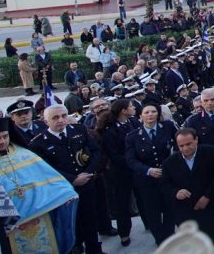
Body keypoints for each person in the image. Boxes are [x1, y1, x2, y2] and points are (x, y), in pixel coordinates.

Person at [0, 116, 78, 254]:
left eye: (5, 136)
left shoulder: (23, 154)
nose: (2, 141)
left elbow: (52, 180)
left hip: (40, 216)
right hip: (8, 225)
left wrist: (66, 195)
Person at [30, 104, 104, 254]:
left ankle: (94, 250)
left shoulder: (79, 130)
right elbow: (45, 169)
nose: (61, 120)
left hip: (87, 184)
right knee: (70, 223)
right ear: (46, 122)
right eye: (55, 117)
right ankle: (75, 248)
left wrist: (88, 173)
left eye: (64, 116)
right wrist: (72, 179)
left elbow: (96, 151)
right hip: (63, 190)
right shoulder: (38, 143)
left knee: (90, 219)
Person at [124, 103, 178, 245]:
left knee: (169, 208)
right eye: (146, 112)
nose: (150, 115)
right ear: (140, 116)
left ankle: (170, 236)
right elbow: (130, 160)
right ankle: (160, 240)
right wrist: (148, 170)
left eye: (153, 111)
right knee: (152, 211)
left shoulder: (168, 127)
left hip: (167, 178)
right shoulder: (132, 136)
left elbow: (179, 146)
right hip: (146, 181)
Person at [162, 127, 214, 244]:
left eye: (188, 144)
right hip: (185, 212)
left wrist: (207, 196)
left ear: (196, 140)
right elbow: (165, 185)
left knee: (213, 242)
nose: (185, 148)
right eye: (181, 146)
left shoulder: (212, 153)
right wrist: (176, 192)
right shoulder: (169, 163)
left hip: (209, 208)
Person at [100, 98, 139, 247]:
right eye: (131, 106)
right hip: (121, 172)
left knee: (142, 198)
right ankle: (124, 233)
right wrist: (132, 162)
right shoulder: (110, 130)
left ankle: (150, 223)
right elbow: (113, 154)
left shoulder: (133, 122)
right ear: (123, 110)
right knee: (123, 204)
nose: (133, 108)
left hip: (137, 168)